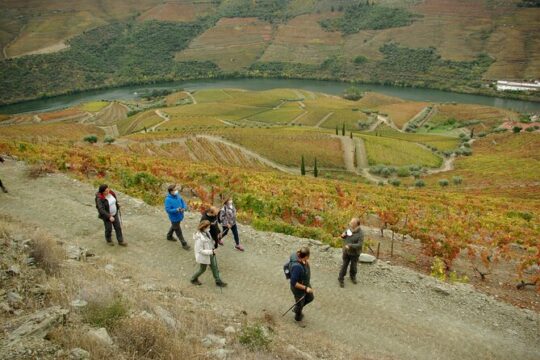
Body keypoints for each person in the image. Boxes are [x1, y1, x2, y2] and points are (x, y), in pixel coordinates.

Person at [190, 220, 227, 287]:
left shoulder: (206, 232)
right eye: (208, 227)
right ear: (204, 228)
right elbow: (200, 250)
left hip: (210, 253)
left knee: (214, 267)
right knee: (202, 269)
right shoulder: (199, 238)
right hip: (204, 256)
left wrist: (213, 245)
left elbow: (209, 241)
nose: (209, 228)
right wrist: (211, 251)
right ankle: (193, 279)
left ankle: (218, 281)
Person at [289, 247, 314, 325]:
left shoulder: (299, 256)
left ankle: (296, 308)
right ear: (306, 256)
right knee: (300, 304)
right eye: (308, 256)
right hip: (298, 289)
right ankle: (298, 318)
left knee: (310, 298)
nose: (309, 257)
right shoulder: (297, 267)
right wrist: (306, 288)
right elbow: (293, 282)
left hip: (305, 283)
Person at [338, 217, 364, 288]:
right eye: (351, 222)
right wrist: (343, 236)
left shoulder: (361, 233)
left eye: (352, 223)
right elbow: (345, 236)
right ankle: (340, 278)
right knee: (344, 265)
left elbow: (360, 244)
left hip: (355, 253)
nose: (350, 223)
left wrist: (350, 245)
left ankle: (352, 277)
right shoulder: (349, 229)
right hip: (346, 252)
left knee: (353, 266)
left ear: (356, 225)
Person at [164, 184, 190, 250]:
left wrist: (184, 207)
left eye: (176, 189)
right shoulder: (168, 200)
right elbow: (168, 210)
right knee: (178, 230)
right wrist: (176, 210)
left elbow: (183, 202)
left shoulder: (178, 196)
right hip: (174, 217)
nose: (176, 191)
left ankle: (169, 236)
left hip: (180, 215)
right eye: (175, 190)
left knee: (175, 226)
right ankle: (184, 243)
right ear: (171, 191)